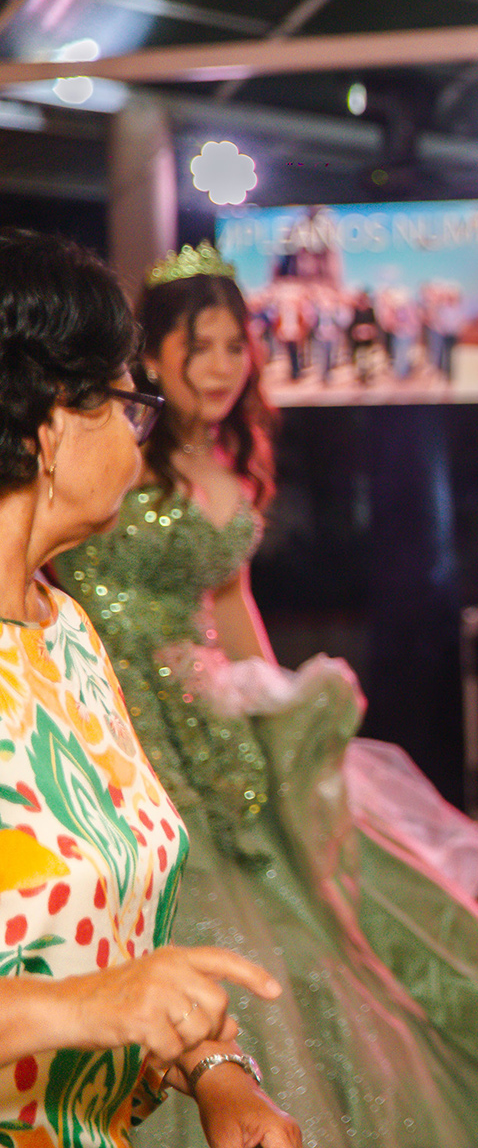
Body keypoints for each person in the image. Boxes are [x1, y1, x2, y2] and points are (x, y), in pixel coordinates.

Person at [57, 243, 478, 1148]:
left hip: (210, 728)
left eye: (235, 346)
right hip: (112, 719)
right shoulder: (107, 457)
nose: (219, 366)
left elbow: (231, 606)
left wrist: (279, 703)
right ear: (151, 355)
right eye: (197, 346)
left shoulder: (233, 469)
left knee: (327, 940)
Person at [0, 229, 299, 1148]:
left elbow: (110, 942)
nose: (140, 441)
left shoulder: (67, 636)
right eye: (127, 404)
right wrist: (81, 1010)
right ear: (50, 424)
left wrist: (214, 1071)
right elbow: (91, 995)